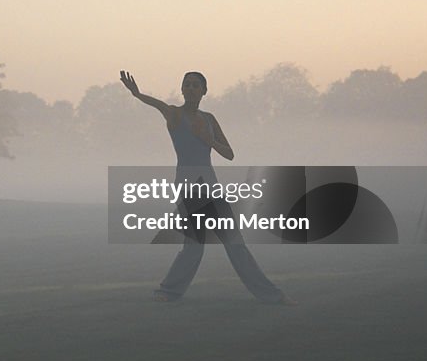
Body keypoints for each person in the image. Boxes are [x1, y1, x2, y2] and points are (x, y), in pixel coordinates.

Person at [119, 70, 295, 305]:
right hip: (187, 188)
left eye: (195, 85)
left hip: (211, 189)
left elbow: (230, 154)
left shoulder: (210, 119)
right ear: (181, 89)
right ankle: (167, 292)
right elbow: (156, 104)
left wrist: (208, 139)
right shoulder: (174, 114)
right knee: (193, 248)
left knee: (235, 244)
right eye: (187, 84)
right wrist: (137, 94)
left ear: (204, 91)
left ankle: (272, 295)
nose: (190, 88)